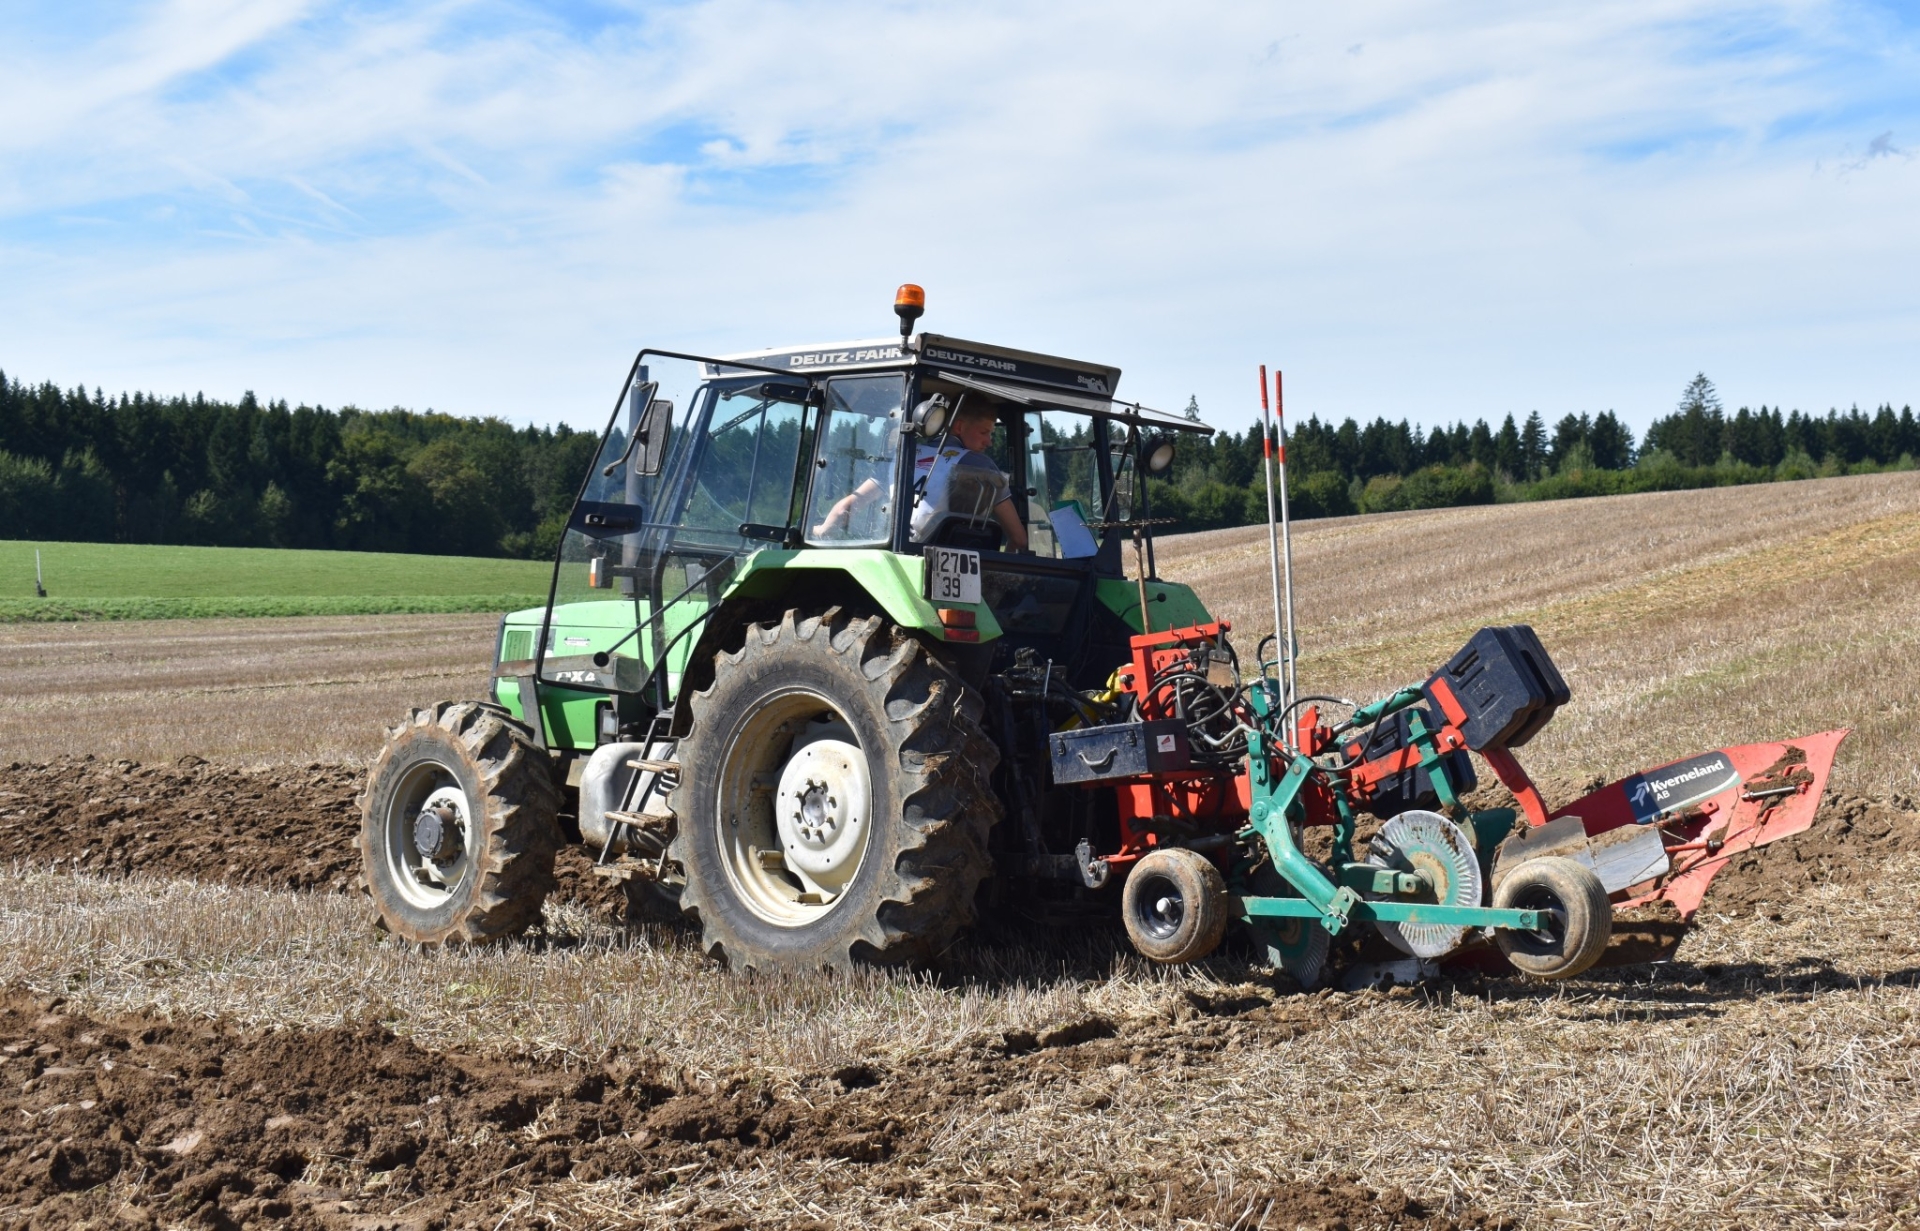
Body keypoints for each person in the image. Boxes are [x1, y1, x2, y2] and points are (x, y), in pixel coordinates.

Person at [811, 398, 1029, 551]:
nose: (989, 442)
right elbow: (1019, 539)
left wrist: (821, 531)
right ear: (959, 427)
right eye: (984, 432)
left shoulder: (902, 458)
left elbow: (846, 508)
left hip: (898, 556)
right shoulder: (980, 465)